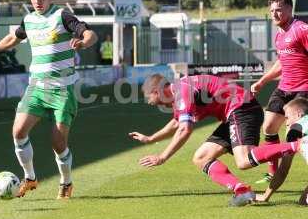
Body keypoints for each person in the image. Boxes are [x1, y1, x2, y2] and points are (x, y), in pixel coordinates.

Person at [0, 0, 97, 199]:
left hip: (62, 91)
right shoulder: (29, 20)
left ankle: (66, 183)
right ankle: (30, 178)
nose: (37, 1)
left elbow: (89, 33)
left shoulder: (62, 16)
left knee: (58, 144)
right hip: (36, 88)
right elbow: (12, 39)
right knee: (18, 132)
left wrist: (83, 42)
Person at [129, 74, 308, 206]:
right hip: (235, 113)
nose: (153, 104)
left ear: (156, 91)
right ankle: (242, 191)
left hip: (242, 108)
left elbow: (185, 129)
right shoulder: (180, 92)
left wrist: (162, 157)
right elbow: (177, 122)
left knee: (244, 161)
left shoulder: (182, 91)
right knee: (200, 158)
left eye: (152, 99)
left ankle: (298, 144)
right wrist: (151, 138)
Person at [251, 0, 308, 184]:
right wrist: (262, 81)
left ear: (290, 9)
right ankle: (272, 173)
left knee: (292, 134)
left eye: (279, 10)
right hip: (284, 88)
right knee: (268, 127)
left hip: (303, 89)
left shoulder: (301, 29)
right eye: (272, 11)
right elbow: (282, 63)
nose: (275, 14)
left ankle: (279, 179)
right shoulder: (279, 35)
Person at [255, 98, 308, 204]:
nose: (286, 123)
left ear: (298, 115)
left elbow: (283, 170)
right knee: (303, 201)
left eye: (287, 118)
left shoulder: (295, 130)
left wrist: (265, 196)